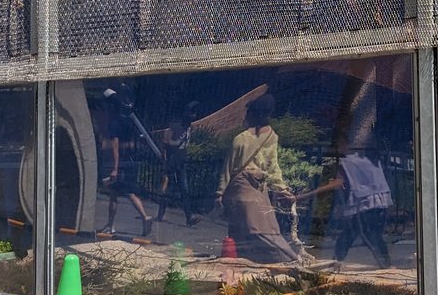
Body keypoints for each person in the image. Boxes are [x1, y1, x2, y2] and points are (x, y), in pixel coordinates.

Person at [215, 93, 298, 263]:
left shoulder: (240, 139)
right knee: (267, 231)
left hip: (240, 191)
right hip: (260, 191)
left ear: (252, 114)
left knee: (240, 234)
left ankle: (287, 260)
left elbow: (228, 168)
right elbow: (273, 167)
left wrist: (219, 192)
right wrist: (282, 188)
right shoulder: (272, 137)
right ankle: (289, 259)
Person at [299, 136, 393, 268]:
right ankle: (338, 261)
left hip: (364, 201)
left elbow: (338, 183)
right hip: (378, 199)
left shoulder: (347, 162)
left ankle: (383, 264)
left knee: (366, 235)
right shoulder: (368, 157)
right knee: (357, 234)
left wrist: (305, 195)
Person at [101, 84, 154, 237]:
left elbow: (115, 147)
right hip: (131, 161)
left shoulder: (114, 123)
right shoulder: (128, 120)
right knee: (118, 192)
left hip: (122, 164)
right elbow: (132, 143)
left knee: (123, 192)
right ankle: (110, 224)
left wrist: (115, 168)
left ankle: (143, 217)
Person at [157, 101, 200, 226]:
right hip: (172, 163)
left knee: (184, 190)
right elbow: (165, 143)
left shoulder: (188, 128)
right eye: (192, 113)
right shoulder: (176, 126)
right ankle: (161, 213)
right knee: (168, 190)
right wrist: (165, 159)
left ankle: (189, 216)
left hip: (181, 163)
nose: (194, 116)